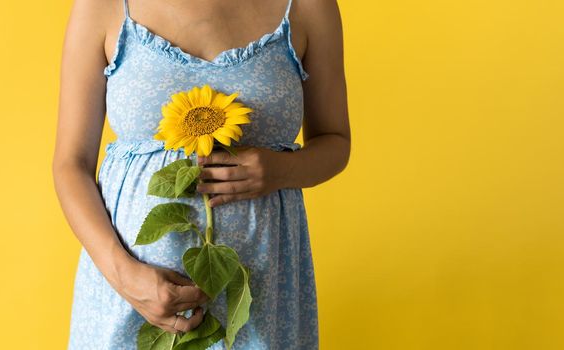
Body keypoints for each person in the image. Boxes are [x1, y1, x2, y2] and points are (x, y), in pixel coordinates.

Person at [53, 0, 349, 348]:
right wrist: (126, 278)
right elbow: (70, 164)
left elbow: (335, 142)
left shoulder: (309, 6)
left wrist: (283, 170)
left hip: (261, 296)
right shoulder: (103, 6)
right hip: (132, 295)